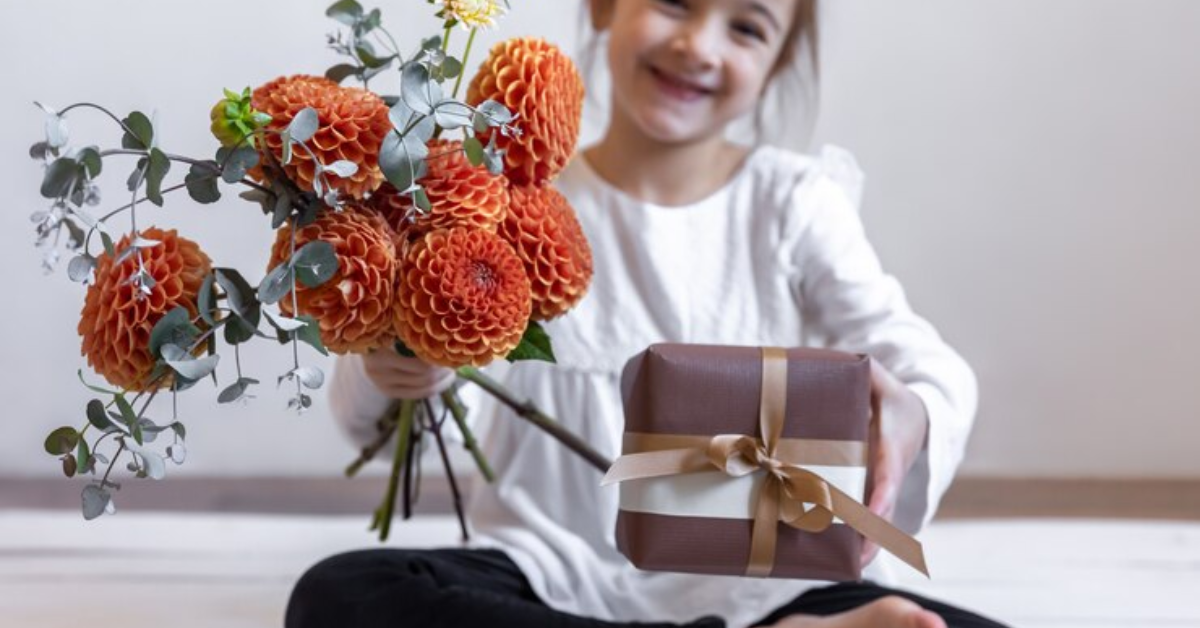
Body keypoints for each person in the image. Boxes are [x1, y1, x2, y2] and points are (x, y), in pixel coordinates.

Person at [287, 1, 1006, 627]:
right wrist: (401, 359)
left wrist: (915, 411)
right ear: (603, 5)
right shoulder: (503, 206)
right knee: (341, 596)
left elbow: (920, 361)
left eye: (748, 27)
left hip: (768, 585)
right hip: (546, 575)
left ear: (779, 59)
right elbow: (416, 427)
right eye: (672, 1)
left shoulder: (793, 205)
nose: (699, 44)